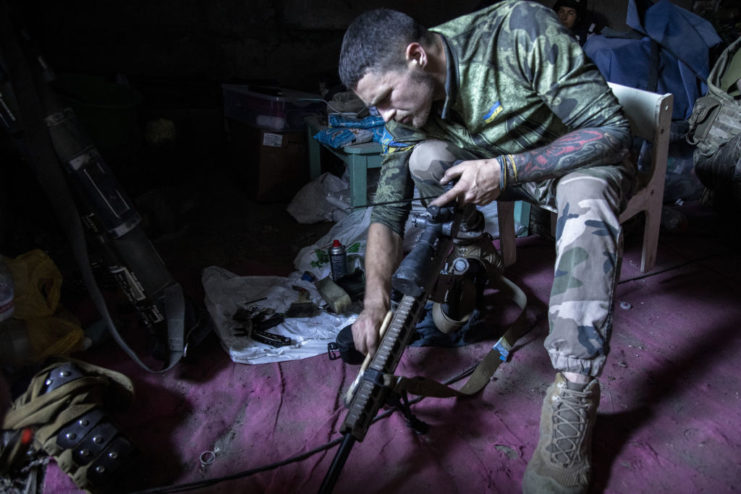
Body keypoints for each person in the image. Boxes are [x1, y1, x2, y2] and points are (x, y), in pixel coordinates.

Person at [338, 2, 634, 493]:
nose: (386, 115)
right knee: (423, 160)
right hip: (500, 170)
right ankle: (470, 253)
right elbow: (388, 209)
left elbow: (612, 133)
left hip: (581, 161)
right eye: (377, 107)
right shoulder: (404, 109)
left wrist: (507, 170)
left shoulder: (518, 29)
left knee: (584, 199)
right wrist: (375, 303)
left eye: (388, 98)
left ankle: (574, 395)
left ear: (416, 55)